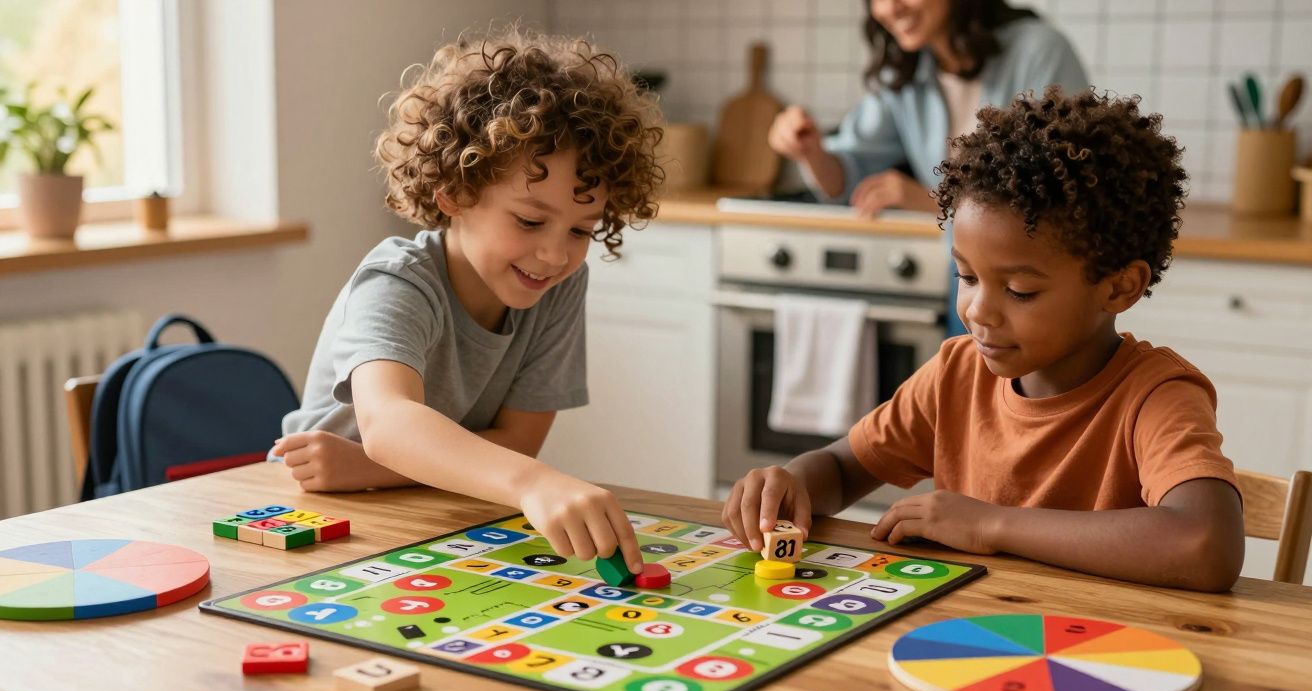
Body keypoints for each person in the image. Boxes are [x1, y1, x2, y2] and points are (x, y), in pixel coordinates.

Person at [723, 88, 1246, 593]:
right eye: (967, 277)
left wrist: (992, 526)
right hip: (974, 645)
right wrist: (787, 481)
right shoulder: (957, 374)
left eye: (1019, 290)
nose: (976, 310)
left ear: (1119, 287)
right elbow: (841, 469)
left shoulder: (1155, 396)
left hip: (1100, 658)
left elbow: (1206, 544)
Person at [271, 30, 664, 574]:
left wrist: (366, 467)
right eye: (530, 220)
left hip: (422, 513)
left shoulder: (558, 287)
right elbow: (389, 423)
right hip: (312, 519)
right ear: (455, 192)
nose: (554, 255)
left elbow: (518, 440)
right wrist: (534, 484)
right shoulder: (397, 282)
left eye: (581, 231)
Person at [768, 0, 1088, 336]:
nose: (890, 8)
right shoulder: (906, 73)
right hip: (966, 276)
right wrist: (810, 151)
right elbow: (845, 179)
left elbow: (1061, 190)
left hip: (1035, 285)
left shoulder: (1039, 51)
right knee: (969, 386)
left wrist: (932, 200)